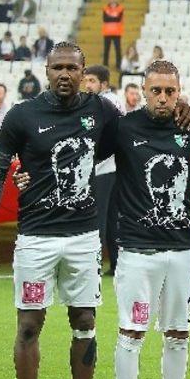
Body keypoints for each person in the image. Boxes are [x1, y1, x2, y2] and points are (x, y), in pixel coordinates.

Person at [0, 43, 123, 379]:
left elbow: (136, 136)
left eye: (71, 68)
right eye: (57, 67)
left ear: (82, 71)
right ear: (46, 70)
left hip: (83, 237)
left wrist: (182, 110)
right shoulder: (22, 115)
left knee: (85, 322)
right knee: (28, 325)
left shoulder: (102, 111)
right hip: (35, 238)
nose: (64, 74)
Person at [108, 61, 190, 379]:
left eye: (170, 91)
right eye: (156, 91)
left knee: (178, 334)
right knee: (131, 332)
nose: (163, 98)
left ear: (179, 92)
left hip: (181, 251)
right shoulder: (123, 128)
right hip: (136, 251)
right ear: (144, 91)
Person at [82, 65, 125, 277]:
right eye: (86, 80)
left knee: (97, 217)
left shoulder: (103, 103)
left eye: (92, 81)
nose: (87, 85)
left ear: (104, 84)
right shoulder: (114, 101)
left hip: (103, 168)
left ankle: (93, 265)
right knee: (112, 219)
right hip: (116, 168)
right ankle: (116, 264)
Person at [102, 0, 125, 68]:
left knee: (118, 50)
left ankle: (118, 65)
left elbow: (119, 19)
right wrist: (114, 17)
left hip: (117, 32)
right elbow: (105, 19)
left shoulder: (120, 8)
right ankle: (105, 65)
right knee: (106, 50)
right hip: (107, 32)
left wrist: (110, 17)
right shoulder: (105, 8)